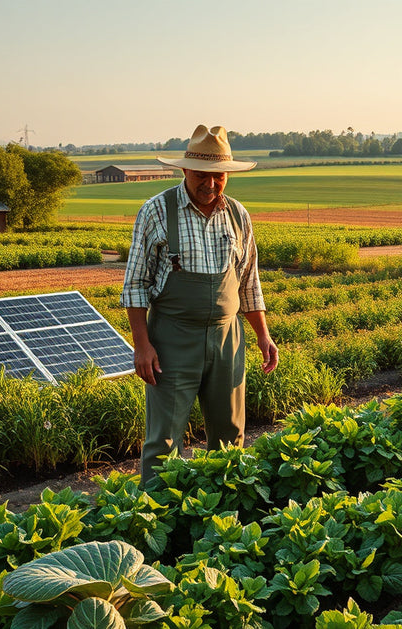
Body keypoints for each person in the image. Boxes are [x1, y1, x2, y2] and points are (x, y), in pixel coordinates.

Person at [121, 124, 278, 485]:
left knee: (230, 436)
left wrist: (263, 336)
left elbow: (249, 281)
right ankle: (156, 521)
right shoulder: (157, 212)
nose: (210, 184)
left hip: (228, 339)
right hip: (173, 341)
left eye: (218, 176)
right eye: (202, 176)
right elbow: (135, 286)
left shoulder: (238, 215)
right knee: (164, 441)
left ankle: (222, 521)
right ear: (185, 170)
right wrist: (142, 346)